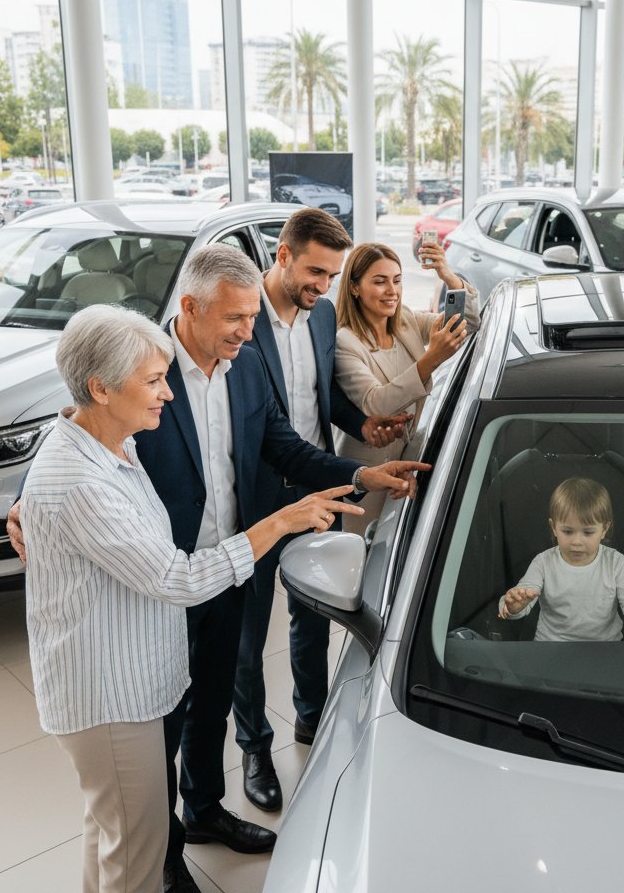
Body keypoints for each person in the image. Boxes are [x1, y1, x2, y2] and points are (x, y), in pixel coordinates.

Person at [11, 245, 428, 893]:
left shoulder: (247, 366)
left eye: (249, 316)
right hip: (153, 586)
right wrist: (24, 504)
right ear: (189, 309)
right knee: (155, 732)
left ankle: (203, 810)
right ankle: (162, 851)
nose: (245, 330)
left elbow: (280, 444)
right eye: (234, 318)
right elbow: (76, 439)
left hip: (230, 568)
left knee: (211, 702)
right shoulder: (137, 371)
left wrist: (358, 474)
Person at [234, 208, 411, 812]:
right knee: (247, 633)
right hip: (254, 499)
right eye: (314, 271)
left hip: (320, 491)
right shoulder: (241, 319)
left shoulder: (323, 313)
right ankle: (255, 745)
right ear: (281, 255)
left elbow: (322, 395)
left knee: (316, 611)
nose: (322, 286)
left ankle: (311, 719)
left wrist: (362, 423)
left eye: (332, 275)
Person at [334, 240, 479, 532]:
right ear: (354, 288)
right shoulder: (345, 341)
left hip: (408, 464)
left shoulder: (406, 323)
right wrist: (432, 358)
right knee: (361, 555)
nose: (392, 291)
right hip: (367, 473)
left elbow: (470, 323)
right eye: (380, 282)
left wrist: (448, 276)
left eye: (397, 281)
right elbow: (376, 404)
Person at [497, 477, 624, 642]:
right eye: (568, 532)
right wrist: (513, 607)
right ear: (554, 528)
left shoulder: (615, 562)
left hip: (606, 648)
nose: (577, 542)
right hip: (550, 646)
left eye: (588, 533)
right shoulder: (543, 562)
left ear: (604, 529)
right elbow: (524, 592)